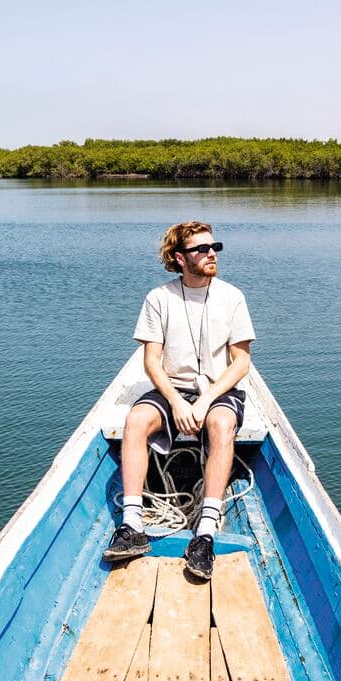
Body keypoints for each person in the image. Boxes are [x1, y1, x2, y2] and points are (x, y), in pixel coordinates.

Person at [103, 220, 255, 582]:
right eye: (201, 249)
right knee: (136, 422)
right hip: (174, 388)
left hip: (218, 390)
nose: (210, 254)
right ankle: (131, 525)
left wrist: (204, 402)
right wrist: (176, 400)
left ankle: (204, 532)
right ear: (179, 257)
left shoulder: (232, 297)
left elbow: (242, 362)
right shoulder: (159, 298)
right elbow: (152, 362)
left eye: (214, 248)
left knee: (220, 423)